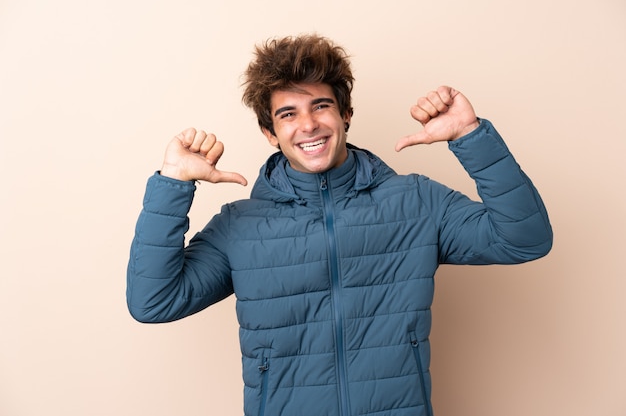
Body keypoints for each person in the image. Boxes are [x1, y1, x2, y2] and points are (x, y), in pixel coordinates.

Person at [127, 34, 553, 416]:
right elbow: (153, 302)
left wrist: (469, 135)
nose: (308, 124)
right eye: (288, 114)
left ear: (346, 113)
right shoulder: (240, 226)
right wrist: (172, 184)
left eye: (321, 106)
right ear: (270, 133)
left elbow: (525, 239)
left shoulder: (416, 201)